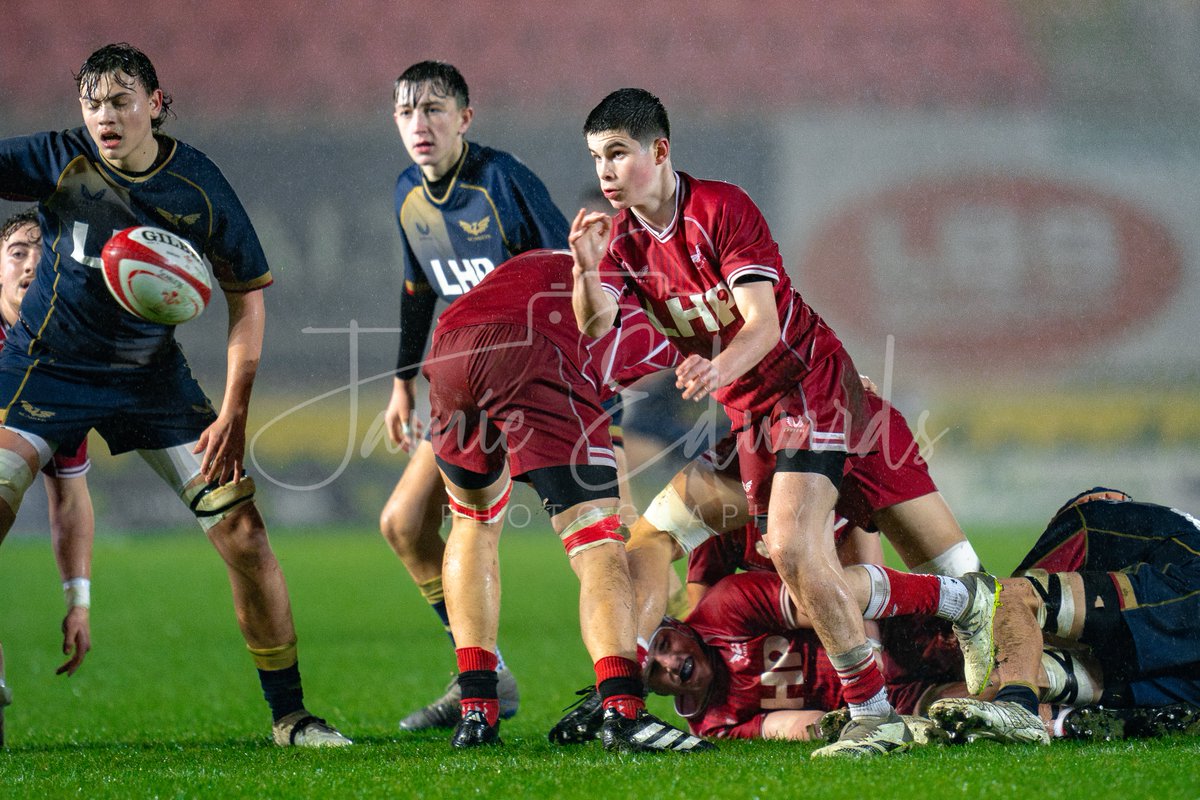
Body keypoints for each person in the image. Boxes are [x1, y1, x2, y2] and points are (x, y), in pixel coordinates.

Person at [569, 87, 998, 756]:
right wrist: (586, 272)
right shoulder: (622, 244)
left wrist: (718, 369)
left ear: (660, 150)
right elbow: (595, 325)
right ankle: (924, 652)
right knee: (796, 560)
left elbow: (763, 326)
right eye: (597, 157)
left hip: (811, 386)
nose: (605, 171)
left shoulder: (719, 208)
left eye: (619, 154)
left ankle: (911, 691)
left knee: (817, 552)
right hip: (760, 418)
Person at [0, 44, 348, 747]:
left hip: (148, 379)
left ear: (154, 103)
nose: (105, 116)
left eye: (121, 100)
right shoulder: (60, 157)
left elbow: (246, 296)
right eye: (93, 103)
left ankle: (291, 716)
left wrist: (235, 408)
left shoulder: (197, 186)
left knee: (244, 535)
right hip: (45, 366)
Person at [422, 246, 711, 752]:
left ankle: (477, 711)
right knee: (597, 542)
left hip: (449, 346)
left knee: (472, 524)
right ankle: (624, 711)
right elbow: (706, 365)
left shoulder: (554, 256)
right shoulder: (654, 304)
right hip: (533, 350)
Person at [380, 61, 571, 730]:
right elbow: (419, 292)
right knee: (404, 525)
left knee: (599, 534)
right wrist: (403, 380)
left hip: (530, 381)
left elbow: (564, 273)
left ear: (465, 117)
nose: (419, 124)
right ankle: (487, 677)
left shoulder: (503, 183)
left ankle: (632, 675)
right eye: (407, 111)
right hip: (460, 384)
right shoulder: (409, 193)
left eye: (434, 110)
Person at [929, 488, 1200, 744]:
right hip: (1176, 651)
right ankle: (1065, 717)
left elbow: (1004, 607)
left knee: (1004, 606)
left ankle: (1021, 708)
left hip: (1180, 593)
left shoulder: (1091, 518)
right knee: (1045, 664)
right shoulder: (1167, 531)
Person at [0, 210, 97, 692]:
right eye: (18, 253)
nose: (32, 265)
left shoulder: (61, 370)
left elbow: (69, 497)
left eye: (47, 255)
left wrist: (77, 602)